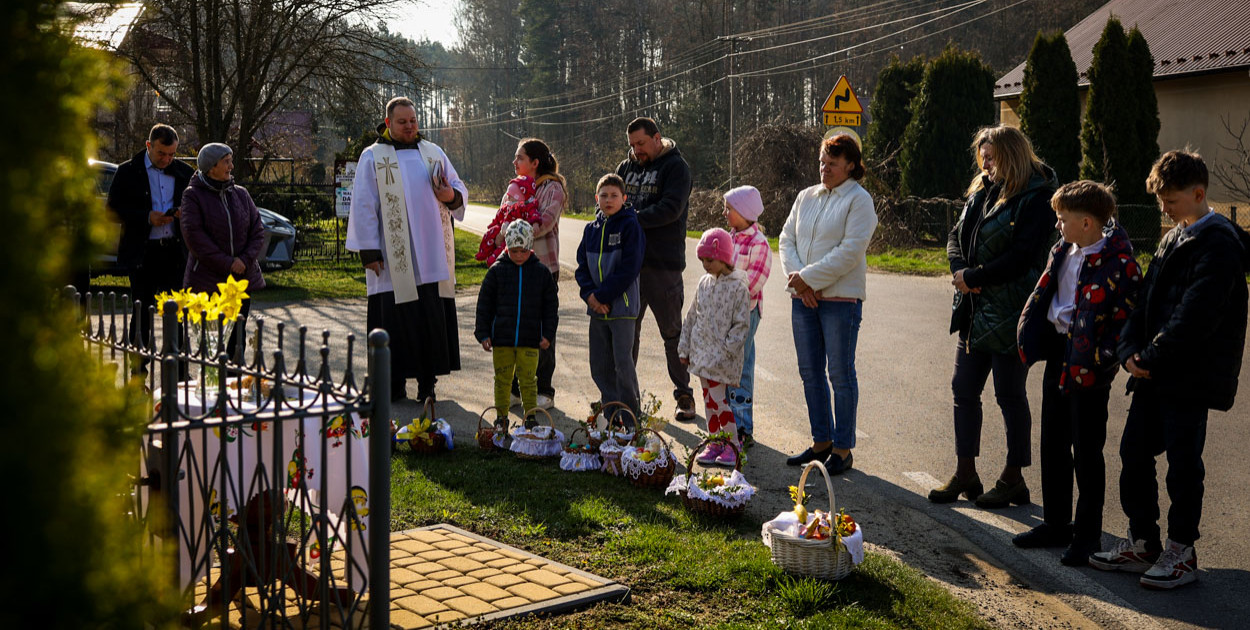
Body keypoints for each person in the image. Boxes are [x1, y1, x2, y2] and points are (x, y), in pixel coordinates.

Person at [1089, 150, 1249, 589]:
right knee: (1134, 454)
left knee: (1182, 465)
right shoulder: (1173, 236)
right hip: (1154, 372)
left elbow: (1197, 315)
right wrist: (1129, 350)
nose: (1164, 208)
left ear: (1199, 194)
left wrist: (1150, 356)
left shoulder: (1219, 243)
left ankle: (1182, 551)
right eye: (1160, 199)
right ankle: (1144, 542)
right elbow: (1145, 302)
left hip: (1190, 376)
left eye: (1171, 200)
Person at [1014, 181, 1143, 566]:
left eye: (1062, 219)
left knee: (1086, 450)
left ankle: (1086, 535)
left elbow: (1127, 319)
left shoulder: (1121, 264)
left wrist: (1103, 356)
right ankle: (1056, 523)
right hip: (1059, 351)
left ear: (1087, 222)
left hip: (1090, 363)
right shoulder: (1063, 250)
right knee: (1052, 442)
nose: (1057, 225)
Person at [929, 125, 1056, 507]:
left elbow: (1023, 256)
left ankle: (1013, 478)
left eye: (992, 156)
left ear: (1012, 155)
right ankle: (965, 473)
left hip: (1012, 311)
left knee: (1009, 394)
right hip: (974, 308)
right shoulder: (982, 190)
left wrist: (976, 277)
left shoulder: (1036, 197)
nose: (985, 163)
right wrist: (960, 272)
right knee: (963, 390)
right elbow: (955, 235)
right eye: (982, 156)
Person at [346, 97, 467, 403]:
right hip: (392, 257)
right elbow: (363, 203)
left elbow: (458, 188)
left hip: (431, 255)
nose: (410, 126)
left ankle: (428, 385)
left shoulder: (432, 152)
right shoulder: (373, 156)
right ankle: (393, 384)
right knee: (394, 321)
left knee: (429, 320)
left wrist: (450, 194)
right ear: (388, 124)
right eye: (403, 122)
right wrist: (369, 251)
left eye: (413, 120)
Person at [778, 134, 878, 475]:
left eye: (832, 164)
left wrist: (809, 280)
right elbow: (786, 239)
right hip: (803, 298)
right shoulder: (806, 196)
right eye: (822, 162)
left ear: (851, 165)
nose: (825, 169)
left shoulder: (859, 200)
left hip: (841, 300)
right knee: (810, 373)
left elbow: (851, 251)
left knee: (839, 373)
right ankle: (820, 442)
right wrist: (800, 281)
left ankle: (842, 448)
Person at [616, 117, 696, 421]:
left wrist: (630, 218)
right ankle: (625, 399)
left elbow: (670, 209)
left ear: (657, 138)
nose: (636, 151)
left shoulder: (676, 168)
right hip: (628, 267)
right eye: (632, 145)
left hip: (663, 266)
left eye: (641, 144)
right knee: (626, 333)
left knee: (672, 334)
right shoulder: (626, 168)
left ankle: (684, 395)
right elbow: (610, 200)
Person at [107, 123, 195, 357]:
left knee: (176, 313)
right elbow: (111, 210)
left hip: (175, 253)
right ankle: (138, 371)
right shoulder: (127, 171)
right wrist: (146, 217)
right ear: (148, 146)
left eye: (172, 154)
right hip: (142, 254)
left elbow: (197, 210)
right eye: (161, 153)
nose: (167, 159)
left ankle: (179, 372)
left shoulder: (185, 173)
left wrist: (182, 214)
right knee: (142, 314)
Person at [179, 142, 266, 357]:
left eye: (230, 161)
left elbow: (257, 230)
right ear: (211, 167)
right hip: (209, 281)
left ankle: (235, 385)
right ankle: (212, 387)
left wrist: (243, 261)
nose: (231, 166)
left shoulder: (241, 194)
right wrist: (229, 263)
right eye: (226, 162)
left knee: (237, 339)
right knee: (212, 342)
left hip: (240, 280)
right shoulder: (193, 196)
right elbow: (196, 238)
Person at [498, 138, 566, 410]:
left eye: (520, 158)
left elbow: (545, 222)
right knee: (517, 327)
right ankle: (516, 389)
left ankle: (545, 390)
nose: (514, 163)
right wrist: (507, 231)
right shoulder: (514, 188)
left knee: (543, 331)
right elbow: (501, 219)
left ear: (535, 163)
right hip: (513, 269)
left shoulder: (552, 188)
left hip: (543, 270)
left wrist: (513, 233)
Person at [575, 174, 645, 426]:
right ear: (597, 199)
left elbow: (630, 268)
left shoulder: (630, 226)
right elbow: (581, 268)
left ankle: (630, 418)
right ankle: (611, 415)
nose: (608, 200)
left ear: (624, 198)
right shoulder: (590, 230)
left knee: (622, 366)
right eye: (603, 195)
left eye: (614, 195)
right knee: (599, 366)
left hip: (622, 309)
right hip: (597, 311)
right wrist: (590, 297)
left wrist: (602, 296)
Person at [474, 221, 558, 429]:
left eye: (523, 250)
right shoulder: (496, 272)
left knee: (529, 380)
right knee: (502, 379)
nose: (519, 255)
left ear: (530, 247)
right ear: (506, 248)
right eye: (514, 251)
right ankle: (501, 417)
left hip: (530, 341)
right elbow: (484, 304)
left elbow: (550, 307)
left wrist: (548, 334)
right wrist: (483, 333)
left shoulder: (541, 273)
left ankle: (530, 416)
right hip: (502, 339)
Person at [679, 228, 751, 467]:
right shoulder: (704, 283)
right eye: (702, 260)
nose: (705, 265)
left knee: (720, 401)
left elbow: (741, 325)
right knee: (709, 401)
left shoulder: (738, 287)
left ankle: (732, 445)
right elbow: (691, 316)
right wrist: (685, 347)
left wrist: (727, 351)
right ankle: (714, 442)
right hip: (701, 355)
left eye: (710, 259)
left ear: (724, 257)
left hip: (721, 358)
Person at [723, 186, 772, 449]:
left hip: (746, 311)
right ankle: (726, 423)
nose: (725, 213)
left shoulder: (759, 244)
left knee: (741, 368)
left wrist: (730, 295)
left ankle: (742, 426)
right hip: (724, 313)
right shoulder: (728, 239)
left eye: (729, 209)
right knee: (726, 365)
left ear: (744, 212)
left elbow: (754, 281)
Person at [475, 175, 539, 266]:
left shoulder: (525, 207)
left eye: (511, 196)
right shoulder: (506, 206)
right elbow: (498, 217)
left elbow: (534, 214)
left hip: (514, 232)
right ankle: (483, 252)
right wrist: (493, 226)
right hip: (501, 228)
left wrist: (535, 223)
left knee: (504, 247)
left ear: (519, 196)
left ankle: (495, 260)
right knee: (489, 234)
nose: (508, 198)